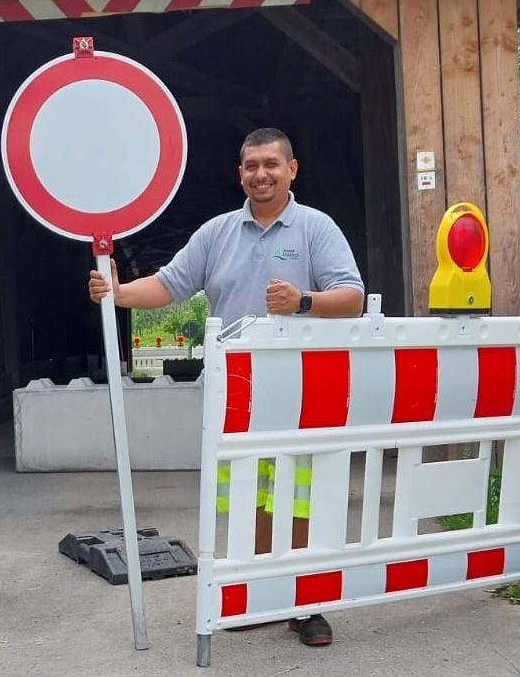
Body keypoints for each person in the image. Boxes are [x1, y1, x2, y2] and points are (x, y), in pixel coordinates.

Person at [88, 128, 364, 647]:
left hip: (303, 386)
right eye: (251, 165)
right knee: (251, 496)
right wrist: (119, 293)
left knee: (300, 496)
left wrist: (304, 301)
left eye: (271, 165)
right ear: (240, 173)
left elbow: (352, 297)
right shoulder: (217, 233)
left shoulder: (314, 228)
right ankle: (262, 591)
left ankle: (307, 603)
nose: (261, 174)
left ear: (292, 169)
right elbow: (170, 285)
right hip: (236, 388)